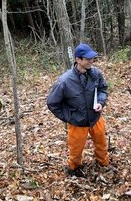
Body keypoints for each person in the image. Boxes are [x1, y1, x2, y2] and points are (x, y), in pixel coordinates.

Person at [47, 43, 109, 177]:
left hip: (96, 118)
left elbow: (103, 89)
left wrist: (100, 102)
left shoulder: (96, 74)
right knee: (75, 150)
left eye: (92, 58)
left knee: (102, 144)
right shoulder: (64, 81)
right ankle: (74, 169)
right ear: (78, 60)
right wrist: (70, 117)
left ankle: (103, 164)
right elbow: (52, 103)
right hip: (77, 123)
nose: (91, 61)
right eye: (87, 59)